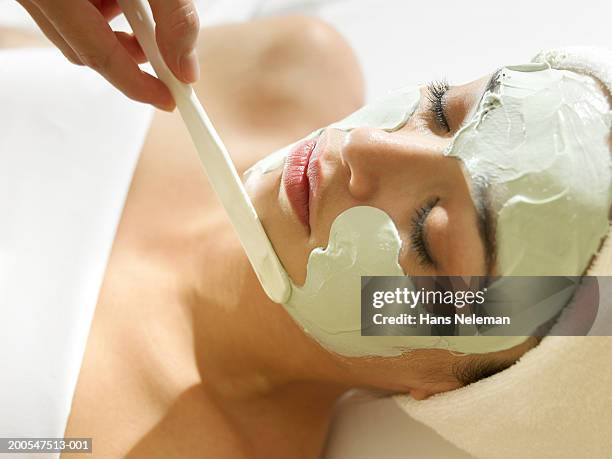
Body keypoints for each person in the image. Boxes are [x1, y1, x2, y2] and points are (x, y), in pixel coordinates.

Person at [3, 11, 610, 459]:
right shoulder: (288, 67)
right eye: (440, 109)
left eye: (428, 235)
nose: (368, 147)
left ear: (445, 389)